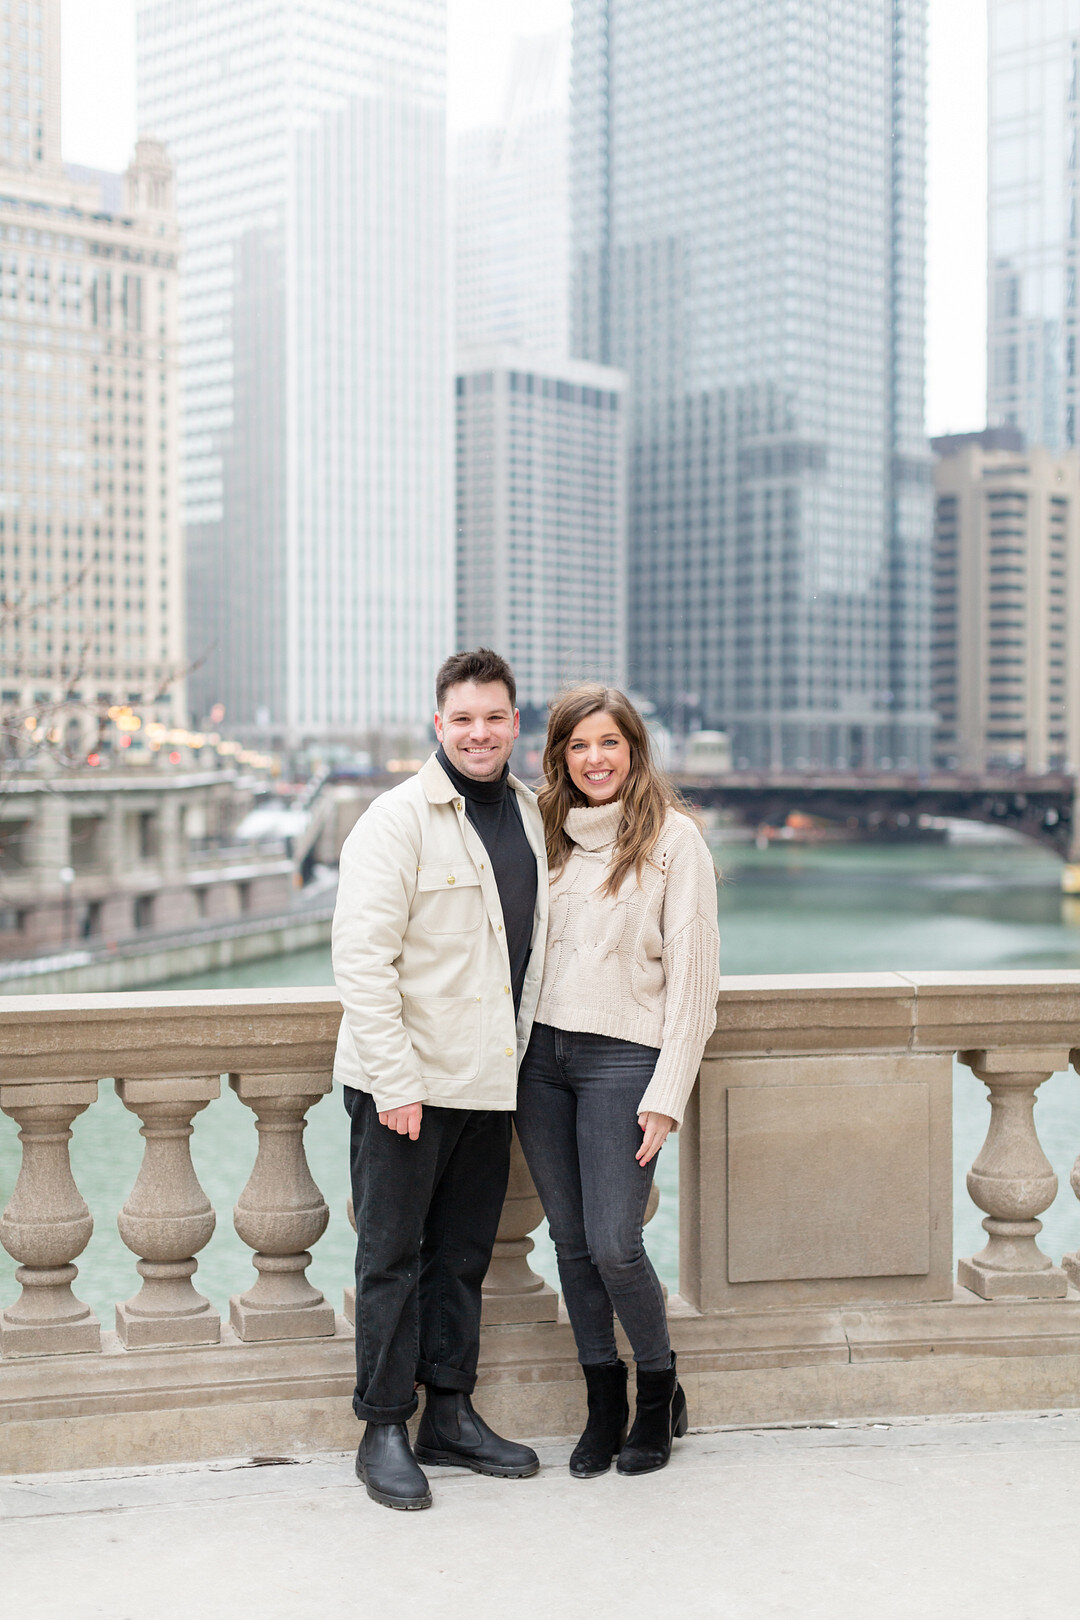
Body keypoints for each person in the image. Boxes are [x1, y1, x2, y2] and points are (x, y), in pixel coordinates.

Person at [332, 648, 547, 1511]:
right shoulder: (395, 820)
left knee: (462, 1261)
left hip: (489, 1085)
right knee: (390, 1259)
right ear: (439, 725)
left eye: (494, 717)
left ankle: (450, 1416)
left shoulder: (535, 816)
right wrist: (394, 1085)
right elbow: (363, 962)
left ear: (515, 725)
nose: (479, 733)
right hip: (406, 1088)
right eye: (463, 719)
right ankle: (383, 1426)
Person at [514, 684, 720, 1479]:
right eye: (578, 746)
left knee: (615, 1244)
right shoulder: (544, 834)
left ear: (634, 749)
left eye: (610, 742)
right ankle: (604, 1398)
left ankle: (659, 1385)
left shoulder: (675, 841)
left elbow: (696, 984)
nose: (595, 759)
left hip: (622, 1063)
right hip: (541, 1062)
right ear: (560, 756)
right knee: (570, 1244)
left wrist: (666, 1096)